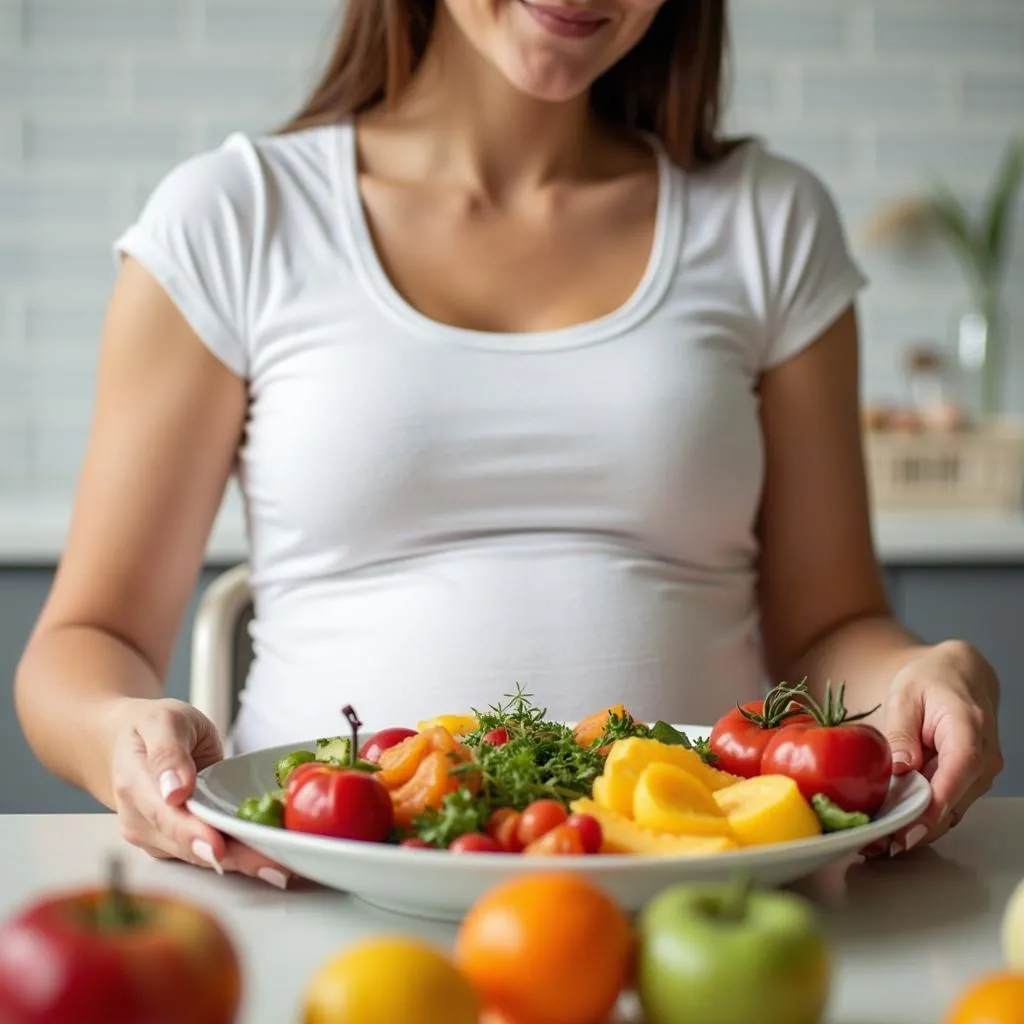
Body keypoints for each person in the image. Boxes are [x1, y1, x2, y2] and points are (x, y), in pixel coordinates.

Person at [15, 0, 1003, 888]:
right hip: (322, 889)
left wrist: (919, 672)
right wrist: (119, 734)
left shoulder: (767, 222)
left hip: (695, 897)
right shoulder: (234, 218)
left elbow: (831, 623)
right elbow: (83, 642)